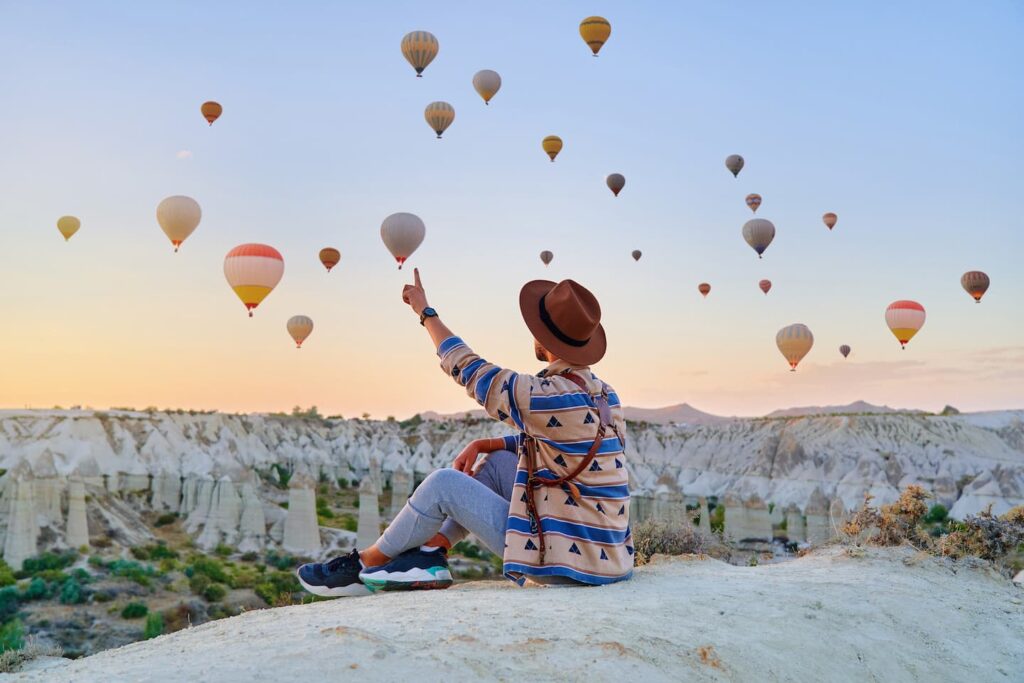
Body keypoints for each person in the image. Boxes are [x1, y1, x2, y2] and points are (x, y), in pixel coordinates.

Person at [297, 270, 632, 596]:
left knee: (444, 483)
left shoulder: (547, 395)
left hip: (567, 568)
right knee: (499, 459)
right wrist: (488, 442)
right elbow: (569, 445)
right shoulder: (605, 394)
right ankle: (431, 553)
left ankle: (362, 566)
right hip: (609, 559)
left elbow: (471, 370)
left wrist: (425, 313)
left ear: (544, 338)